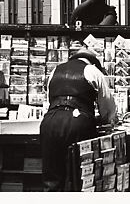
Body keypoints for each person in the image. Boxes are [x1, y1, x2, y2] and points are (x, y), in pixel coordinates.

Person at [40, 45, 117, 191]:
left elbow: (49, 99)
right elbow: (107, 107)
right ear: (93, 62)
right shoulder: (92, 71)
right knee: (78, 176)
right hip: (78, 122)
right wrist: (106, 120)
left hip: (50, 121)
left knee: (52, 178)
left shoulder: (56, 70)